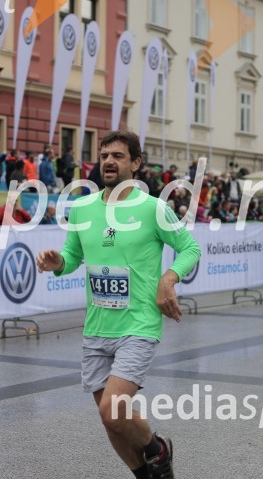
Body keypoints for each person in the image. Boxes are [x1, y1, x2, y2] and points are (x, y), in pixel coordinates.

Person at [35, 130, 200, 479]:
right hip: (97, 327)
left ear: (136, 163)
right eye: (104, 155)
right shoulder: (82, 209)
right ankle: (147, 474)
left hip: (138, 324)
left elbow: (190, 248)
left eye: (118, 156)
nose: (108, 161)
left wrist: (168, 279)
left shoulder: (153, 208)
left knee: (113, 410)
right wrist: (57, 262)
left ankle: (158, 450)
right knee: (111, 421)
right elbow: (72, 256)